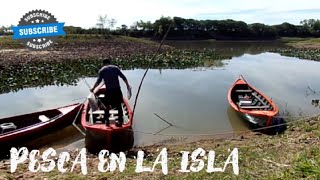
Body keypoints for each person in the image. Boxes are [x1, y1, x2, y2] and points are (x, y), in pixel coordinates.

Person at [90, 58, 131, 127]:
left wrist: (93, 88)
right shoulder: (116, 68)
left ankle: (107, 122)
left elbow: (98, 81)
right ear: (110, 62)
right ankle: (120, 122)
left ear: (103, 64)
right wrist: (127, 86)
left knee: (106, 106)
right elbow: (123, 77)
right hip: (117, 90)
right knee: (119, 106)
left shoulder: (102, 70)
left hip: (109, 91)